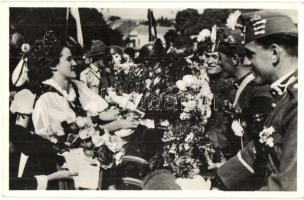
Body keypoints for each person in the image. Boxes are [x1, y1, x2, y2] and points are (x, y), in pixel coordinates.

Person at [23, 30, 138, 189]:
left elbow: (97, 112)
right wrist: (116, 125)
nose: (75, 64)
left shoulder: (76, 86)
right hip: (63, 170)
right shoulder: (47, 99)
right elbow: (76, 138)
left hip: (84, 159)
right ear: (52, 65)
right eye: (69, 59)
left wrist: (121, 113)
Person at [216, 11, 298, 191]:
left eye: (250, 54)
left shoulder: (297, 102)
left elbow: (288, 188)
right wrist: (218, 179)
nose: (245, 61)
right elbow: (261, 143)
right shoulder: (286, 94)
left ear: (274, 53)